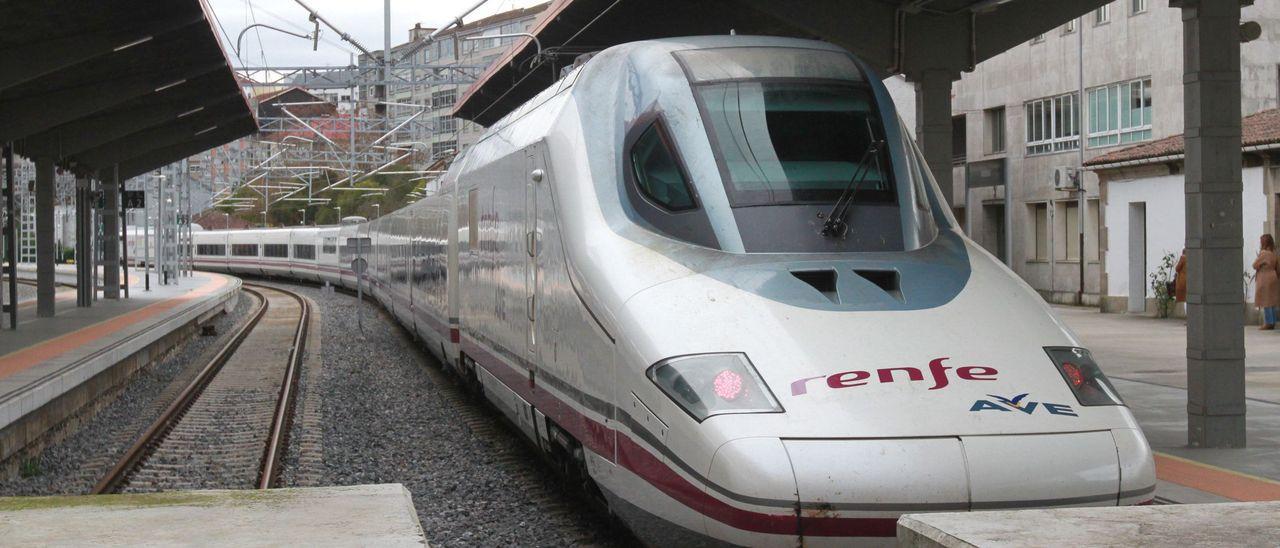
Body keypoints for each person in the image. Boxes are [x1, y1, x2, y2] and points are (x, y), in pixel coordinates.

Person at [1253, 235, 1280, 330]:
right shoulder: (1274, 253)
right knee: (1271, 301)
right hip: (1273, 277)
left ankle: (1268, 323)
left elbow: (1255, 265)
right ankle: (1272, 322)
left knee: (1266, 301)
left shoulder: (1264, 253)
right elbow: (1278, 268)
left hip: (1264, 278)